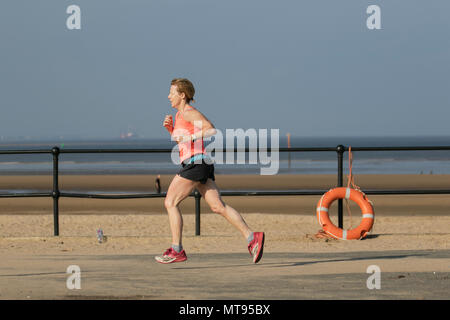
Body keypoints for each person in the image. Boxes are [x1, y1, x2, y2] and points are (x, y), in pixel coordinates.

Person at [155, 78, 265, 264]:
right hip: (199, 162)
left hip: (196, 163)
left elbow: (211, 130)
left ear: (182, 95)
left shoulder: (189, 112)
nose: (168, 96)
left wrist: (190, 136)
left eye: (171, 92)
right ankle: (252, 238)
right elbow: (182, 141)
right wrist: (170, 129)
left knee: (170, 202)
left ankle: (177, 250)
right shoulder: (180, 115)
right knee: (217, 206)